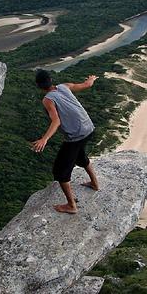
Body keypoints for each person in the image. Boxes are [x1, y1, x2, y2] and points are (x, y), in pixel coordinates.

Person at [32, 69, 100, 214]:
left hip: (76, 135)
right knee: (80, 156)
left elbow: (56, 121)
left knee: (60, 171)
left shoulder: (48, 100)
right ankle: (94, 183)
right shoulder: (65, 86)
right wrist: (92, 78)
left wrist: (44, 139)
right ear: (51, 79)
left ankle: (71, 206)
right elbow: (86, 85)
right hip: (89, 128)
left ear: (39, 86)